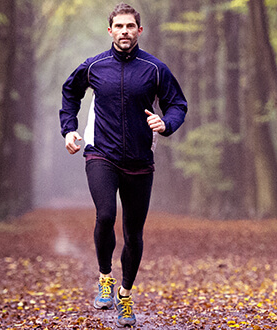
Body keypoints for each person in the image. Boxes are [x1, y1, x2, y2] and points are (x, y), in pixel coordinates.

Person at [59, 3, 188, 327]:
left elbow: (177, 103)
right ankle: (105, 276)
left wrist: (166, 123)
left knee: (133, 232)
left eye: (130, 26)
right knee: (105, 215)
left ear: (139, 30)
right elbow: (70, 92)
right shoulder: (94, 66)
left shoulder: (155, 69)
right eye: (119, 26)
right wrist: (69, 129)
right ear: (110, 31)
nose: (125, 31)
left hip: (140, 160)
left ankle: (125, 295)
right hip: (101, 153)